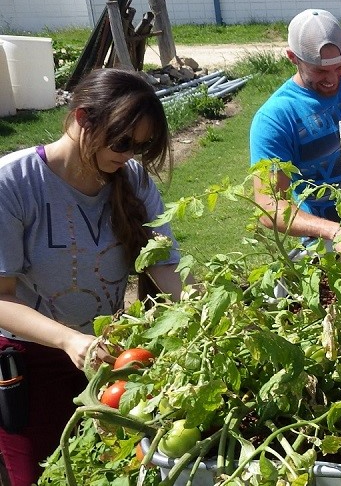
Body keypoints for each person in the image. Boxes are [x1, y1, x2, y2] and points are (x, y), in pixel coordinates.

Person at [0, 68, 185, 486]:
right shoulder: (12, 183)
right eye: (122, 142)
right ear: (83, 118)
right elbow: (1, 298)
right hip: (30, 365)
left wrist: (202, 309)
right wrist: (69, 339)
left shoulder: (132, 179)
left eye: (142, 145)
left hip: (108, 359)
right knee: (41, 476)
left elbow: (162, 262)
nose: (130, 156)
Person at [249, 9, 341, 241]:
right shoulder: (275, 118)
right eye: (320, 71)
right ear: (292, 57)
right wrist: (335, 233)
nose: (333, 79)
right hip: (325, 243)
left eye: (339, 67)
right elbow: (269, 206)